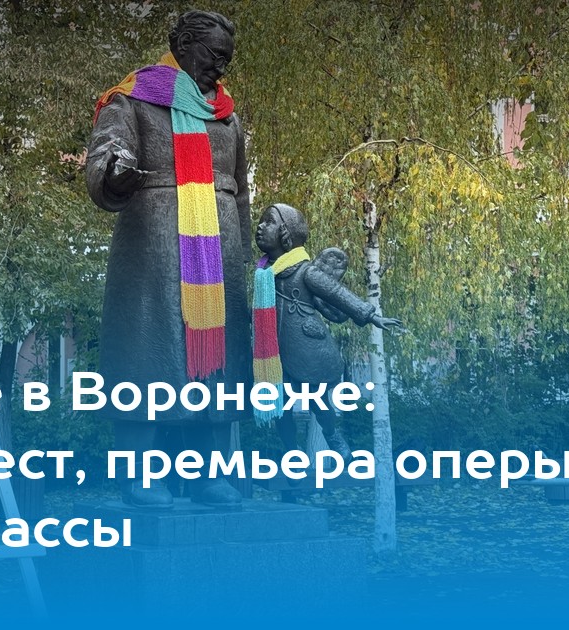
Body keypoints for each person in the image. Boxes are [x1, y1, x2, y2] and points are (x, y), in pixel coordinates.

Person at [86, 10, 250, 508]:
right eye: (213, 55)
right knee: (149, 354)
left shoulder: (227, 116)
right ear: (182, 45)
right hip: (154, 245)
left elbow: (241, 190)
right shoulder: (133, 98)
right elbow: (105, 155)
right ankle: (138, 476)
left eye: (226, 59)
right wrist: (115, 173)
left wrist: (243, 251)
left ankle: (206, 475)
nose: (220, 68)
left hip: (218, 250)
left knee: (216, 364)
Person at [252, 203, 402, 458]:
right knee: (280, 407)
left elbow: (336, 293)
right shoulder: (264, 274)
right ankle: (292, 454)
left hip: (304, 349)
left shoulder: (306, 272)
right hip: (274, 353)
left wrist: (371, 316)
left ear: (286, 233)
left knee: (317, 399)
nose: (260, 227)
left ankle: (333, 436)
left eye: (269, 222)